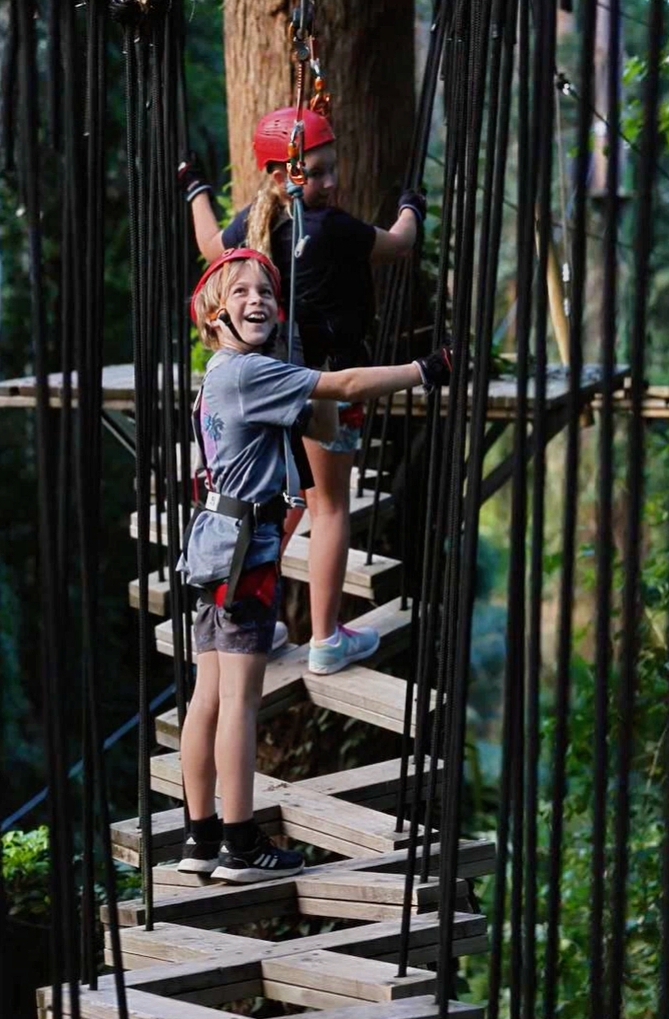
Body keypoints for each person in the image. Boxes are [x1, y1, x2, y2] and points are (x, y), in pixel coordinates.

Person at [173, 248, 450, 882]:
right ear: (215, 317)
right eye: (241, 293)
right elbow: (346, 389)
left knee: (208, 697)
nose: (259, 300)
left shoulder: (222, 375)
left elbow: (322, 418)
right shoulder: (248, 373)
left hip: (217, 548)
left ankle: (200, 838)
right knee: (239, 700)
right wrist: (425, 369)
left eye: (267, 292)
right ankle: (241, 846)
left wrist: (316, 381)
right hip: (247, 557)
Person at [179, 107, 425, 676]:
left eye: (331, 169)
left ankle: (249, 610)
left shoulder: (255, 222)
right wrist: (412, 204)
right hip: (323, 384)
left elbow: (211, 246)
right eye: (318, 173)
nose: (331, 183)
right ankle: (326, 637)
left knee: (286, 501)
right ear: (281, 173)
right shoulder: (334, 228)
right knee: (329, 505)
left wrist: (195, 189)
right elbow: (398, 245)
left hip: (270, 389)